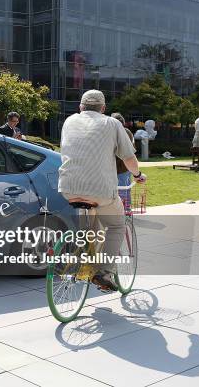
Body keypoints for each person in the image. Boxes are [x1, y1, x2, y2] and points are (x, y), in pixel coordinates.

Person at [58, 90, 146, 292]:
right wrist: (138, 175)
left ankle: (85, 262)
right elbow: (129, 159)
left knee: (91, 228)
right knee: (116, 225)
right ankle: (104, 273)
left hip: (69, 188)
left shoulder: (69, 121)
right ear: (103, 108)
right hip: (100, 191)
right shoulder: (112, 123)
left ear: (80, 107)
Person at [111, 112, 136, 212]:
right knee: (126, 188)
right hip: (126, 167)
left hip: (119, 168)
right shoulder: (127, 132)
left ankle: (124, 211)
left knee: (122, 189)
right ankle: (127, 210)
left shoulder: (119, 133)